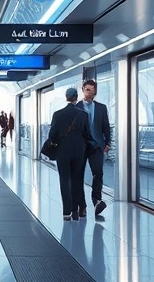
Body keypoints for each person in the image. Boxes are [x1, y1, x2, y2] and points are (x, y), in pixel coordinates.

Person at [46, 87, 93, 221]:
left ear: (66, 97)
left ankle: (66, 212)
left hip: (62, 152)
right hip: (78, 152)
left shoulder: (57, 114)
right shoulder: (83, 115)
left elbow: (52, 135)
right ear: (76, 97)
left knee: (64, 180)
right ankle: (75, 210)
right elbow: (87, 134)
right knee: (77, 180)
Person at [79, 79, 113, 217]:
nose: (90, 93)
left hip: (97, 146)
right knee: (78, 175)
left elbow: (106, 126)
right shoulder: (77, 107)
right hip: (81, 146)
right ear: (83, 90)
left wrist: (107, 144)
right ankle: (81, 205)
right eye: (88, 90)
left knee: (98, 173)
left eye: (92, 91)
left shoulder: (101, 107)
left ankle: (97, 200)